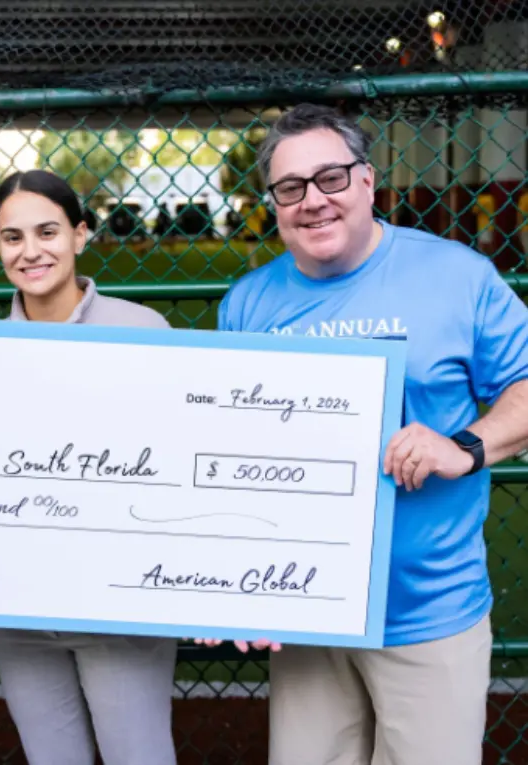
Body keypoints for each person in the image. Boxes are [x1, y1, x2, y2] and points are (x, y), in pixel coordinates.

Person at [214, 103, 528, 765]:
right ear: (273, 202)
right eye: (291, 187)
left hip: (426, 611)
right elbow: (234, 455)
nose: (313, 201)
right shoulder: (246, 303)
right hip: (305, 612)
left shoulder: (457, 275)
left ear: (366, 181)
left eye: (330, 178)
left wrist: (464, 445)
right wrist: (238, 580)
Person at [0, 169, 178, 765]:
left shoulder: (145, 330)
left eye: (48, 231)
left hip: (120, 604)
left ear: (81, 234)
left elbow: (176, 460)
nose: (31, 251)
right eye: (12, 237)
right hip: (18, 608)